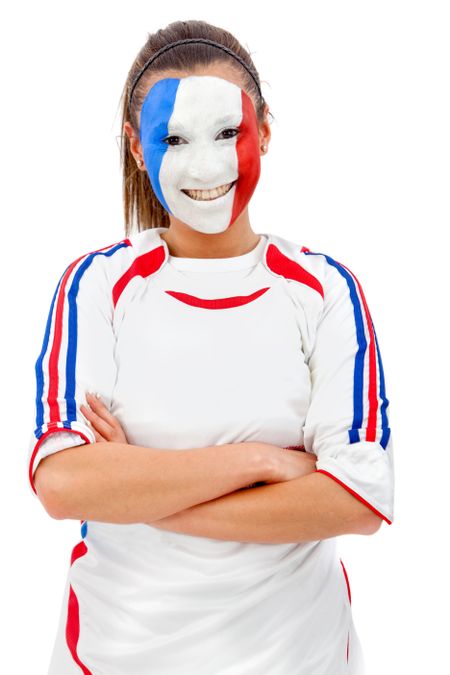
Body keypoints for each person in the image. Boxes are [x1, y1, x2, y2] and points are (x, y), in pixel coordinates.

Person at [27, 19, 395, 675]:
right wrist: (262, 461)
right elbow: (62, 482)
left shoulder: (324, 291)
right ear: (138, 149)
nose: (206, 165)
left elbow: (357, 500)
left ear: (267, 131)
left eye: (229, 132)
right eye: (174, 138)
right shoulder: (100, 286)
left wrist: (138, 486)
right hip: (113, 657)